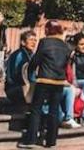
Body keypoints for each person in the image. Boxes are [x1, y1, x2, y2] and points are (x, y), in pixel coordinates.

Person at [17, 21, 71, 149]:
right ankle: (51, 141)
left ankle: (31, 140)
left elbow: (36, 60)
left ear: (47, 30)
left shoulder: (44, 42)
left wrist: (30, 72)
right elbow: (66, 62)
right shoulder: (65, 45)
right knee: (54, 110)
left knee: (36, 109)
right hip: (59, 81)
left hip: (44, 80)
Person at [5, 31, 37, 105]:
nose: (33, 42)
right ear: (23, 42)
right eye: (31, 40)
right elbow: (16, 74)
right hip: (15, 88)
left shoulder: (32, 55)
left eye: (35, 40)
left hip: (26, 87)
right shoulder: (19, 55)